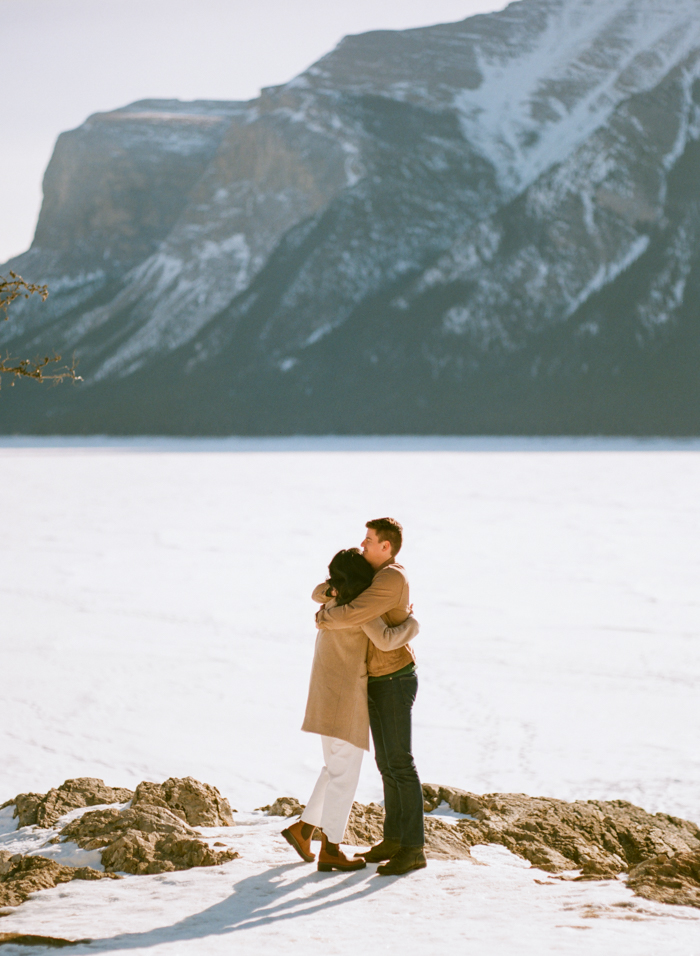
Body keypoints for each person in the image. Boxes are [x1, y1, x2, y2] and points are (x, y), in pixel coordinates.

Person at [283, 547, 419, 873]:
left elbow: (320, 591)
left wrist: (329, 592)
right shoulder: (360, 614)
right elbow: (388, 640)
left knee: (333, 768)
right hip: (345, 701)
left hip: (323, 698)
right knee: (345, 776)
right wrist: (413, 624)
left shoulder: (330, 602)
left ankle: (303, 830)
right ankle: (331, 849)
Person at [315, 518, 426, 876]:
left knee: (400, 763)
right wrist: (331, 595)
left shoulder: (392, 577)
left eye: (368, 540)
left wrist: (326, 615)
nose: (362, 545)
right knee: (386, 763)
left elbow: (356, 611)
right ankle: (394, 838)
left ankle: (413, 848)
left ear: (386, 547)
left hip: (394, 677)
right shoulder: (372, 577)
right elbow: (323, 588)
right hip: (376, 679)